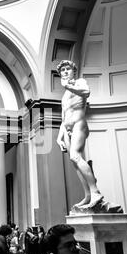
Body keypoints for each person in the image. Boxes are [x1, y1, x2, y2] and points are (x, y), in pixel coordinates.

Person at [56, 60, 103, 210]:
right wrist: (59, 138)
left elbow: (86, 93)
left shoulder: (80, 82)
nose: (65, 72)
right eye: (62, 70)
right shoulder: (64, 95)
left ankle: (95, 192)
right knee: (75, 163)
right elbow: (63, 118)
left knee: (75, 156)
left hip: (79, 124)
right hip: (67, 129)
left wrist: (69, 86)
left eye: (67, 69)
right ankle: (88, 194)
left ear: (73, 71)